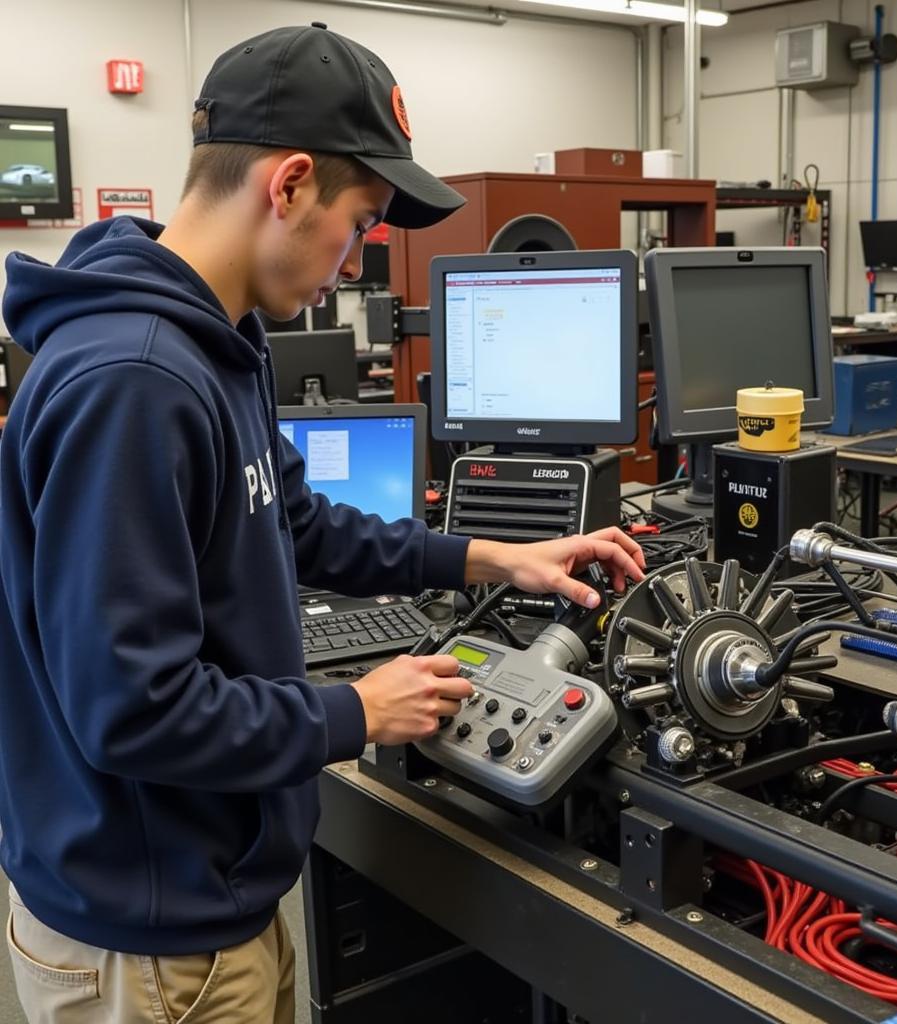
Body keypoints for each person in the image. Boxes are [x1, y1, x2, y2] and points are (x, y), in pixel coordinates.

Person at [0, 23, 645, 1024]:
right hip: (147, 938)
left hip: (212, 900)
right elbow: (129, 707)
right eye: (361, 223)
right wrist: (354, 712)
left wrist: (489, 557)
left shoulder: (219, 337)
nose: (353, 265)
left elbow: (292, 521)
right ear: (288, 183)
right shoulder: (133, 380)